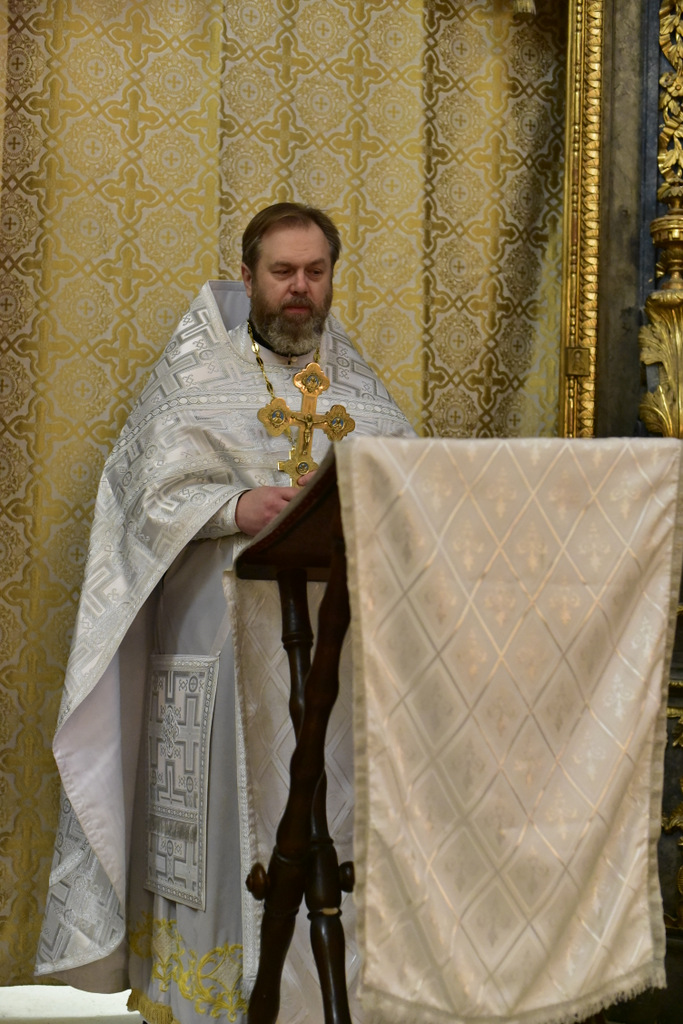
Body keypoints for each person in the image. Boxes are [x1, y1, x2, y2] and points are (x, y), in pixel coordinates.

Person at [35, 203, 415, 1022]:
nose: (299, 289)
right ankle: (209, 1004)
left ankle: (321, 999)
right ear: (248, 277)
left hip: (335, 658)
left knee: (334, 816)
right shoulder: (194, 379)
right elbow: (141, 497)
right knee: (224, 828)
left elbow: (406, 488)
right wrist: (234, 506)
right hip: (218, 646)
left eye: (314, 272)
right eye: (282, 272)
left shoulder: (361, 389)